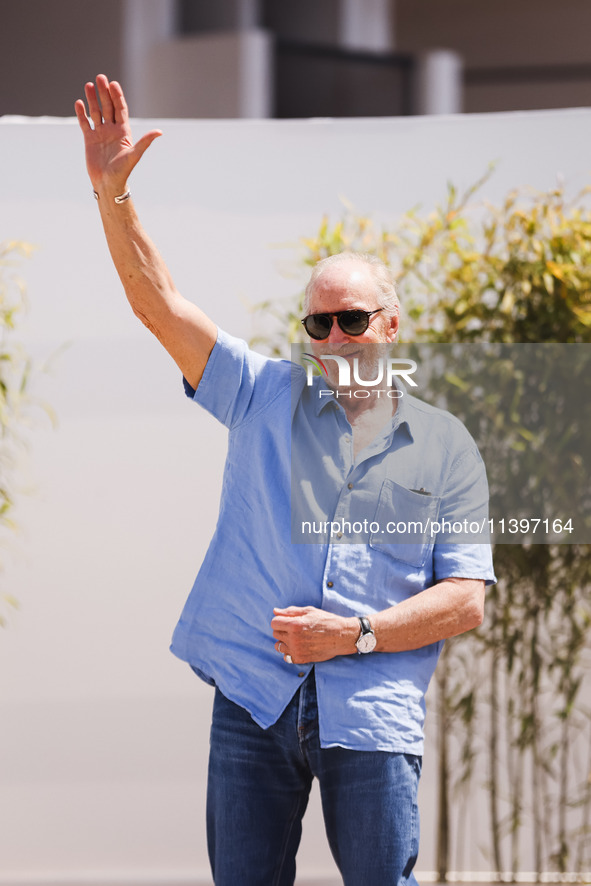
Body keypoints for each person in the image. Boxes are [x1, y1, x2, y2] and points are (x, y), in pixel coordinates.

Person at [75, 75, 495, 886]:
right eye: (318, 322)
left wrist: (355, 634)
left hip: (369, 718)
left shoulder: (444, 446)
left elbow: (465, 599)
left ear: (391, 325)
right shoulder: (263, 393)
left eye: (352, 319)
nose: (334, 336)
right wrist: (111, 192)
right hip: (251, 701)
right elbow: (156, 303)